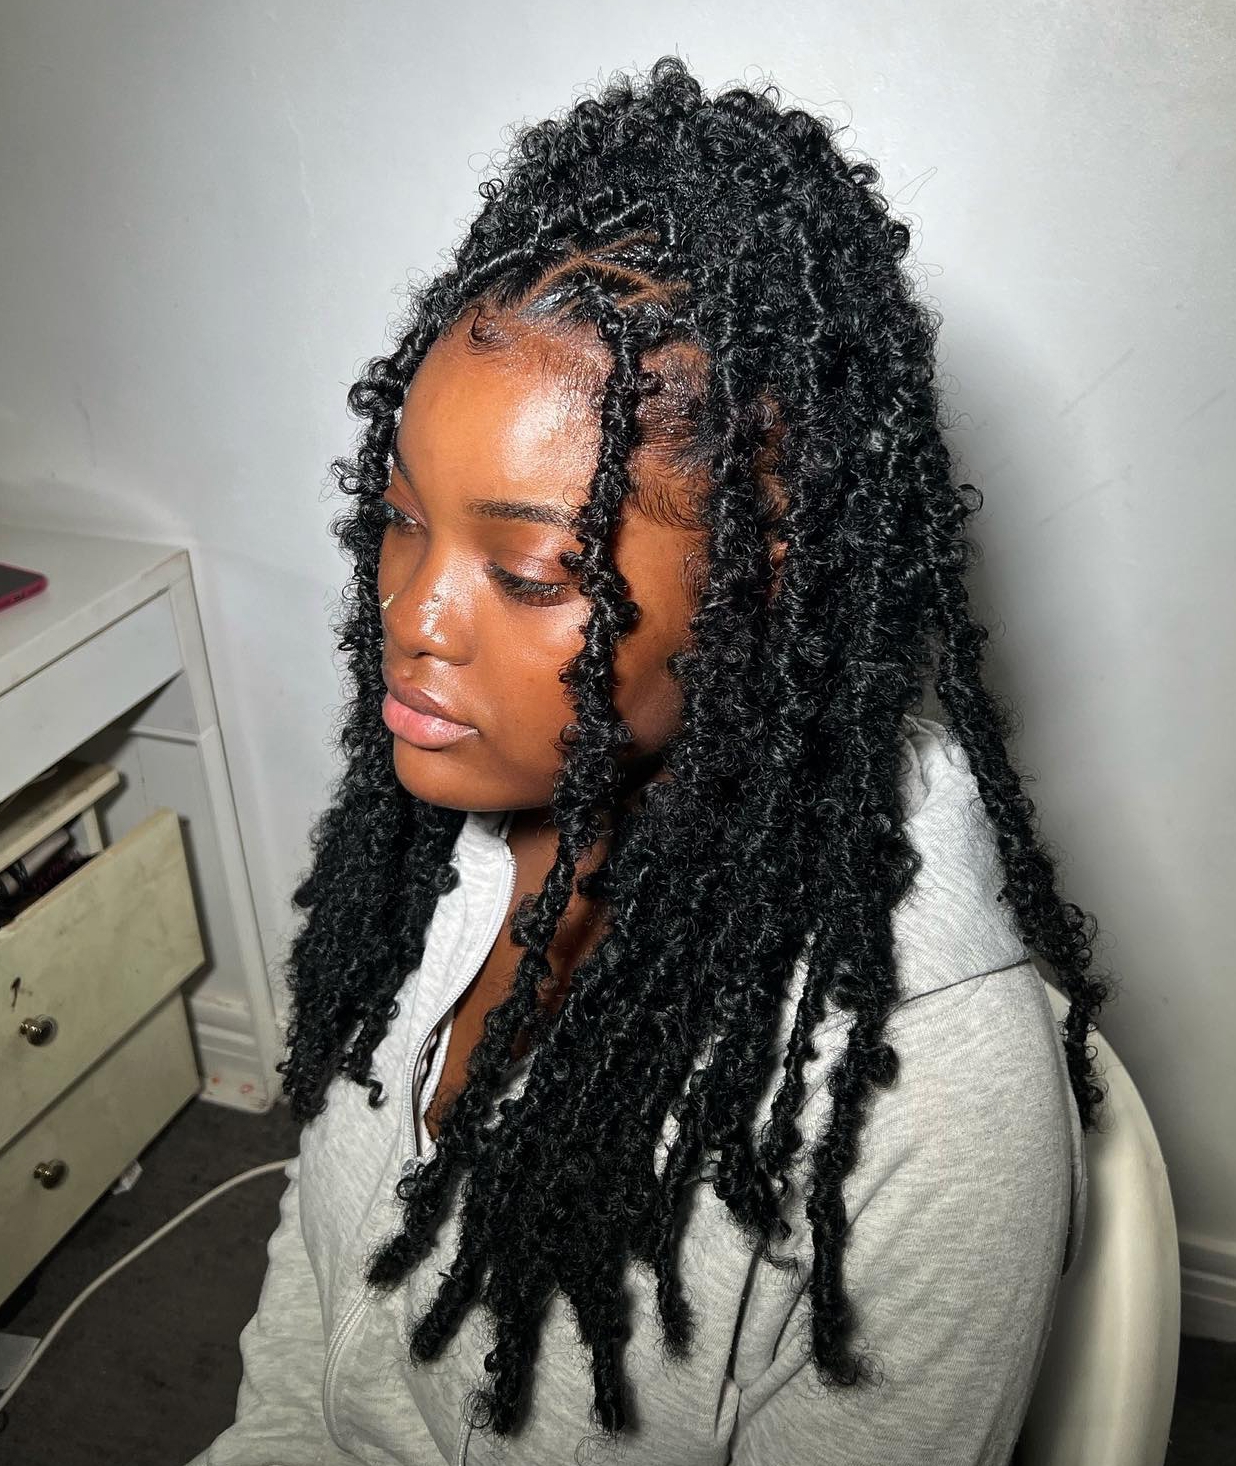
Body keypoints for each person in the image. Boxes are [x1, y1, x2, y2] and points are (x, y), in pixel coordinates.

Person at [187, 55, 1113, 1466]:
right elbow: (314, 1296)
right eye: (400, 519)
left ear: (759, 585)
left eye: (528, 572)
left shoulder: (936, 1105)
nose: (412, 618)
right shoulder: (459, 796)